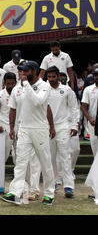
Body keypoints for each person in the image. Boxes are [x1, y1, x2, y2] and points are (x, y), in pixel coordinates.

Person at [1, 61, 56, 206]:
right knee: (20, 162)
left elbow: (38, 102)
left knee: (45, 162)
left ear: (35, 71)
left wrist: (26, 85)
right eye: (21, 71)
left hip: (39, 128)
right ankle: (15, 192)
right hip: (23, 128)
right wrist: (12, 128)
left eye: (26, 71)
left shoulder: (44, 86)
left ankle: (49, 194)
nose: (22, 74)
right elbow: (12, 108)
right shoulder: (17, 88)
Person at [46, 66, 78, 198]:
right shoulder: (44, 89)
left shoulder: (66, 90)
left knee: (65, 156)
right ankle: (52, 183)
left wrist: (74, 125)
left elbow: (74, 108)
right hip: (48, 127)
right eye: (49, 77)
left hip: (63, 126)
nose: (52, 79)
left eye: (54, 76)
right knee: (50, 157)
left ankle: (68, 186)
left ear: (58, 76)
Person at [0, 72, 18, 164]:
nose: (10, 86)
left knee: (19, 156)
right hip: (3, 129)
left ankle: (20, 178)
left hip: (18, 128)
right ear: (4, 83)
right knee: (2, 156)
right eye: (8, 83)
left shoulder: (19, 94)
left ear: (15, 83)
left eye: (12, 83)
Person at [81, 67, 98, 157]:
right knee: (95, 148)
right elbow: (83, 107)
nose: (97, 77)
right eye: (95, 75)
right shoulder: (88, 89)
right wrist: (90, 118)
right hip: (93, 123)